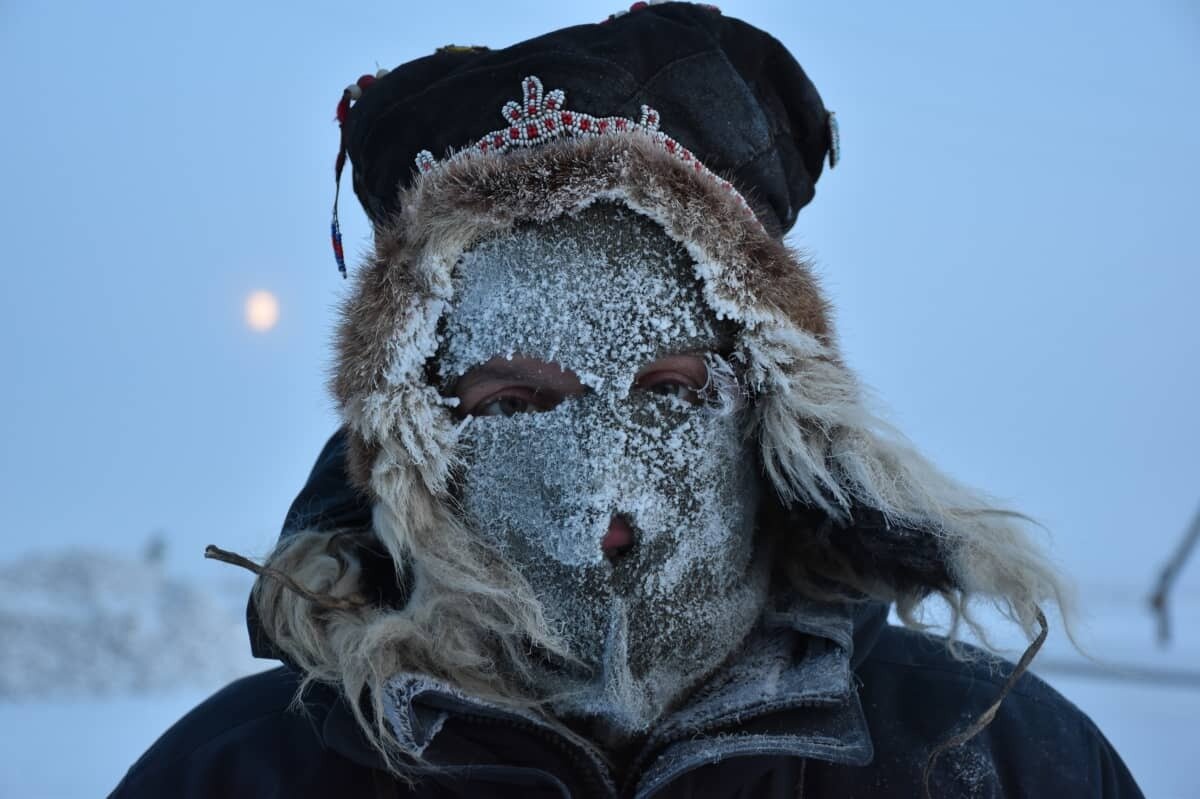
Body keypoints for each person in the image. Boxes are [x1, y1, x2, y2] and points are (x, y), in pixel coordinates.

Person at [112, 4, 1144, 797]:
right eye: (517, 401)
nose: (603, 491)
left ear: (767, 408)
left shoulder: (998, 762)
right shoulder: (237, 775)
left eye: (667, 389)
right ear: (421, 445)